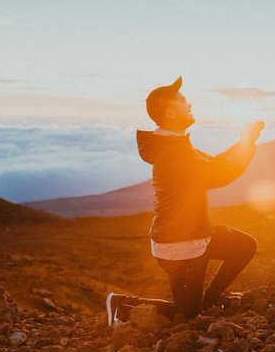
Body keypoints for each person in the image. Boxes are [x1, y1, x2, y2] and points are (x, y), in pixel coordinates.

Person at [106, 76, 264, 324]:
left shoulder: (175, 144)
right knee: (186, 315)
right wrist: (247, 143)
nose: (189, 104)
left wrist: (245, 143)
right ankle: (122, 304)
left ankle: (208, 301)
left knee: (244, 246)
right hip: (180, 245)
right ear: (170, 111)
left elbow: (213, 164)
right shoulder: (174, 152)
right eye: (183, 100)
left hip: (195, 235)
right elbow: (218, 174)